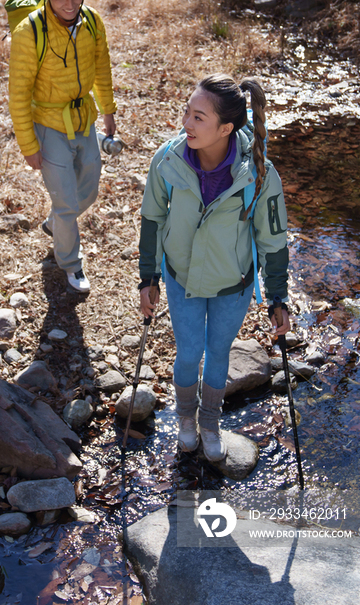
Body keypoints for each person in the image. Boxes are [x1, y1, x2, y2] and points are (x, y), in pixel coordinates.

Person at [138, 74, 290, 462]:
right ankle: (185, 420)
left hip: (233, 285)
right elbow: (153, 219)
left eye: (199, 117)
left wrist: (277, 298)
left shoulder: (259, 175)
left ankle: (210, 422)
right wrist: (148, 277)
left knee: (218, 352)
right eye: (187, 112)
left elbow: (272, 241)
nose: (186, 123)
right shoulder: (167, 160)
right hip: (181, 278)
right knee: (189, 353)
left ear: (226, 128)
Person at [9, 0, 117, 293]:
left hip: (84, 119)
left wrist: (108, 110)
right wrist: (29, 145)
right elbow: (18, 94)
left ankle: (56, 223)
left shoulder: (92, 21)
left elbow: (101, 67)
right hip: (49, 124)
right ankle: (71, 265)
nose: (69, 3)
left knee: (89, 189)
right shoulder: (30, 32)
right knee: (68, 202)